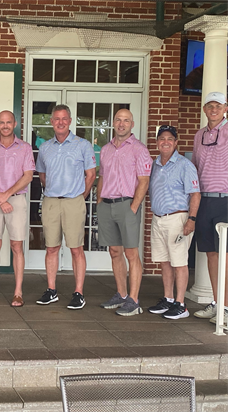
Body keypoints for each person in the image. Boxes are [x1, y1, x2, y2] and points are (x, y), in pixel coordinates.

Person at [35, 104, 96, 309]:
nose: (60, 122)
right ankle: (51, 290)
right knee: (51, 247)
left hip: (73, 201)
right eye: (57, 119)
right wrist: (53, 190)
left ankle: (78, 293)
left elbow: (91, 175)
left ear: (70, 121)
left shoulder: (83, 145)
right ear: (51, 122)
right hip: (51, 201)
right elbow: (42, 174)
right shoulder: (45, 147)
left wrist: (79, 196)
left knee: (76, 248)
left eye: (64, 119)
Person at [97, 108, 153, 316]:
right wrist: (99, 201)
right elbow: (102, 176)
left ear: (132, 124)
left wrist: (134, 207)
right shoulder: (106, 149)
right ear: (113, 122)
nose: (121, 124)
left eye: (126, 120)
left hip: (127, 205)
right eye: (118, 120)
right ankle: (121, 294)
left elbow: (144, 181)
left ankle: (134, 300)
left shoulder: (140, 149)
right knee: (114, 251)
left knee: (131, 253)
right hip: (107, 205)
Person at [0, 110, 35, 307]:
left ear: (15, 124)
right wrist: (0, 198)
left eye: (8, 122)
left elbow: (28, 176)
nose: (5, 126)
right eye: (2, 122)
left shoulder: (25, 148)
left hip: (17, 201)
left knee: (16, 246)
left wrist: (7, 194)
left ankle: (18, 292)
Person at [148, 125, 200, 320]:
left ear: (176, 142)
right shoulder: (154, 165)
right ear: (157, 142)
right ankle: (168, 299)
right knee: (165, 262)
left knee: (179, 262)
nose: (166, 142)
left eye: (170, 139)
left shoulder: (185, 165)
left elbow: (195, 194)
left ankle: (181, 304)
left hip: (178, 218)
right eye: (162, 138)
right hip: (158, 219)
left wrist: (191, 220)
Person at [191, 91, 228, 328]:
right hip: (204, 201)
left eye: (218, 106)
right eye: (210, 106)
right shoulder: (199, 135)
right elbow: (195, 166)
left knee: (226, 255)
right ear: (204, 109)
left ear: (226, 108)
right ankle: (217, 302)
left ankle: (227, 307)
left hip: (225, 200)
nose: (214, 109)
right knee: (211, 254)